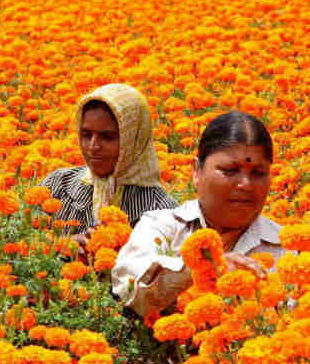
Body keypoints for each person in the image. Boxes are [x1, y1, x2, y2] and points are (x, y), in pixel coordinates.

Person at [112, 110, 285, 317]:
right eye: (230, 170)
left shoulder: (288, 249)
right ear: (196, 171)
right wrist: (202, 269)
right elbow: (127, 291)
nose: (245, 184)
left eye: (258, 173)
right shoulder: (162, 227)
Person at [40, 83, 177, 249]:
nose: (93, 146)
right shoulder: (58, 185)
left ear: (134, 139)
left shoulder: (162, 213)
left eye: (107, 137)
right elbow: (22, 242)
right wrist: (60, 247)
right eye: (86, 134)